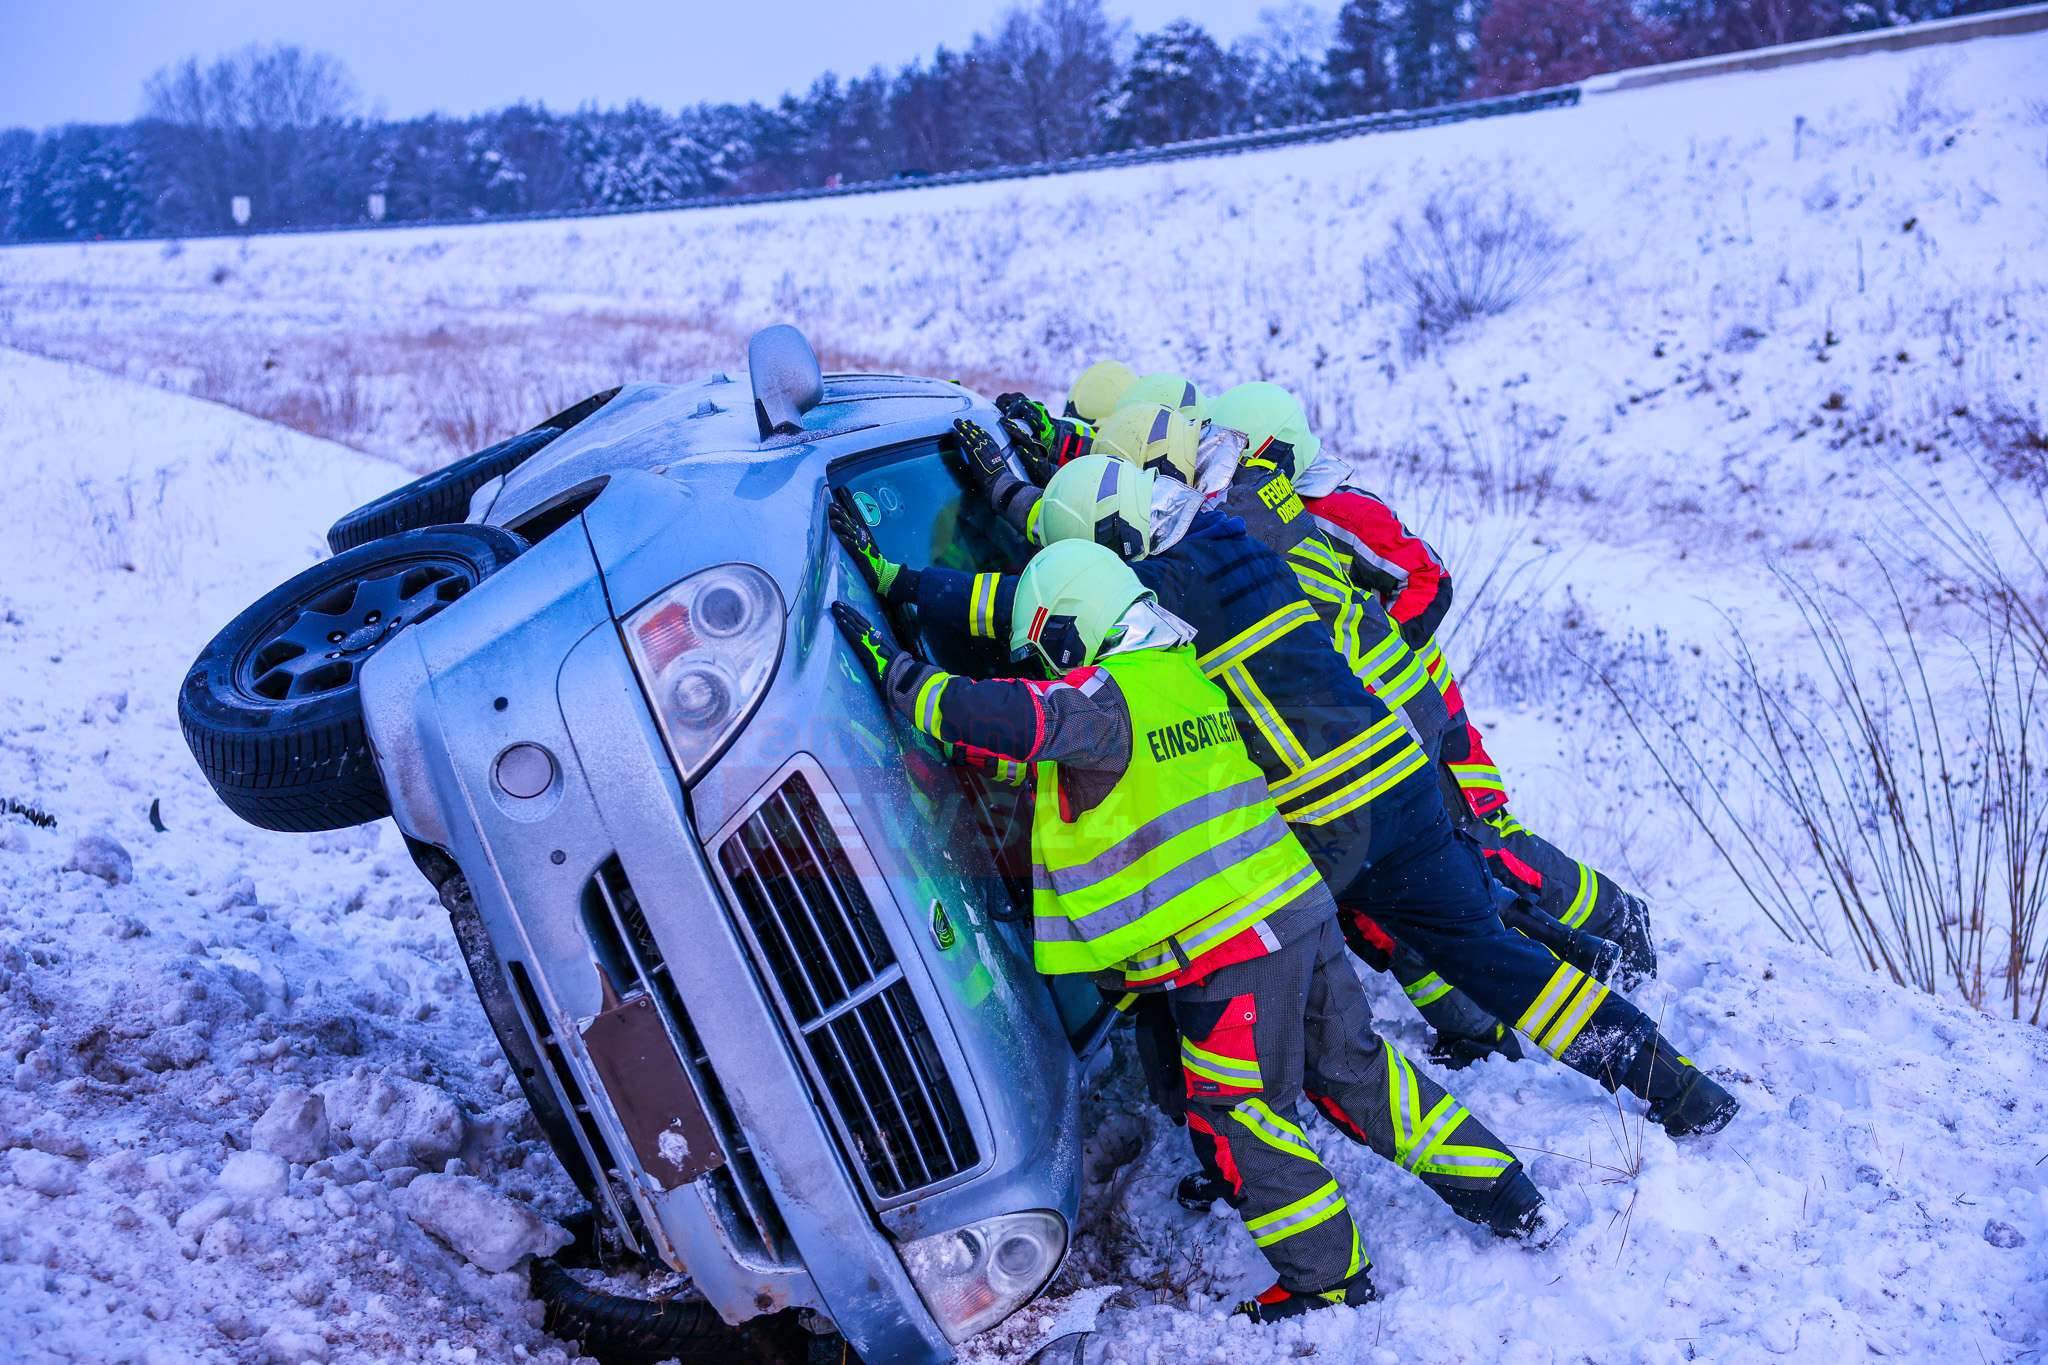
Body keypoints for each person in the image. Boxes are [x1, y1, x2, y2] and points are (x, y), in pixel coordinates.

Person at [840, 416, 1741, 1148]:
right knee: (1501, 963)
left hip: (1333, 821)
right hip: (1402, 784)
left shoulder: (1160, 591)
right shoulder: (1228, 533)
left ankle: (1240, 1155)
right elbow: (1095, 544)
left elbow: (1026, 603)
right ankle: (1678, 1088)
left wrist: (904, 580)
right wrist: (1019, 489)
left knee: (1237, 984)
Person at [829, 539, 1540, 1322]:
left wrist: (900, 677)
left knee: (1242, 1114)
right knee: (1360, 1069)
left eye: (1045, 649)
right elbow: (1070, 767)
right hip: (1295, 913)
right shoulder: (1177, 678)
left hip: (1228, 951)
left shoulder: (1103, 696)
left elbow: (1012, 718)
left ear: (1072, 625)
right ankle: (1507, 1192)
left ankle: (1327, 1278)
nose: (1046, 667)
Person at [1271, 410, 1657, 983]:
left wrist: (1382, 655)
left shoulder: (1336, 511)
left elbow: (1428, 579)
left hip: (1421, 701)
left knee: (1483, 833)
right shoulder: (1279, 521)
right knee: (1448, 854)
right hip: (1382, 712)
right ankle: (1548, 956)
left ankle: (1618, 919)